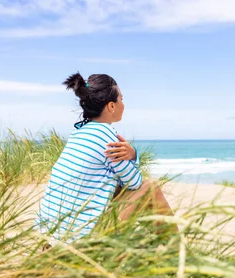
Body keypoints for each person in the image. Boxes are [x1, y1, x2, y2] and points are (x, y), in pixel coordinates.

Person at [36, 72, 175, 244]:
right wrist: (133, 155)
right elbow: (134, 183)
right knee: (149, 188)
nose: (123, 104)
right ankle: (178, 252)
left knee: (116, 188)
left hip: (49, 236)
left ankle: (164, 245)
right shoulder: (108, 137)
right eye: (121, 99)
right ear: (111, 106)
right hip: (78, 240)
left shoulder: (78, 132)